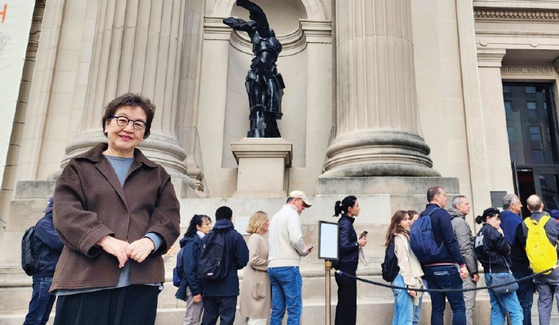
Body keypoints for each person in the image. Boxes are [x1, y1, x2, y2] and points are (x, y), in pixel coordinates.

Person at [51, 93, 181, 325]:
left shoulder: (158, 175)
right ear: (106, 124)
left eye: (138, 124)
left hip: (140, 281)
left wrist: (151, 240)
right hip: (86, 279)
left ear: (144, 133)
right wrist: (104, 239)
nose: (129, 128)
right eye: (122, 119)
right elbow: (66, 212)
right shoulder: (79, 168)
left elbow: (168, 216)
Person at [223, 0, 284, 138]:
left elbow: (259, 14)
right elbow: (239, 24)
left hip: (270, 74)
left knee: (270, 108)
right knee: (256, 105)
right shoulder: (257, 33)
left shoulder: (268, 37)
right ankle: (256, 130)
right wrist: (229, 20)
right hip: (256, 72)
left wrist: (243, 3)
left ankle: (271, 131)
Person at [418, 186, 469, 325]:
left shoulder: (422, 215)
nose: (446, 198)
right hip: (446, 265)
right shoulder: (442, 214)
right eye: (444, 195)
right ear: (436, 197)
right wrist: (462, 263)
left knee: (437, 309)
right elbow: (450, 240)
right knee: (458, 307)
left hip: (428, 267)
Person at [267, 190, 313, 325]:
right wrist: (304, 251)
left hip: (273, 266)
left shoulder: (276, 216)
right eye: (303, 203)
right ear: (295, 200)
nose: (303, 207)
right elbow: (295, 239)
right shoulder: (292, 214)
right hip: (288, 266)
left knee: (277, 310)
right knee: (294, 309)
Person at [474, 207, 524, 325]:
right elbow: (506, 249)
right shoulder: (492, 232)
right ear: (488, 218)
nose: (499, 222)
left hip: (489, 273)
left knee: (497, 309)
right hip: (500, 273)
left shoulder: (479, 234)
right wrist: (502, 235)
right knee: (516, 310)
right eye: (497, 219)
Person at [200, 206, 249, 325]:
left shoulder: (206, 238)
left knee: (208, 319)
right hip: (228, 287)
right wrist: (230, 266)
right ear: (231, 218)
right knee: (226, 320)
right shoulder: (235, 236)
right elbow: (243, 260)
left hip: (209, 286)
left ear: (216, 219)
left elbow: (199, 261)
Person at [23, 197, 63, 325]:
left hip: (50, 276)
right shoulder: (45, 224)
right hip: (44, 276)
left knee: (42, 318)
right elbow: (58, 243)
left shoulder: (52, 224)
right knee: (35, 318)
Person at [521, 195, 559, 325]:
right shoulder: (551, 222)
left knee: (544, 302)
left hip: (538, 269)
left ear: (527, 207)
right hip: (555, 267)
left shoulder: (525, 224)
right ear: (542, 205)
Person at [332, 196, 367, 325]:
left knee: (347, 304)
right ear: (349, 208)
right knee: (347, 305)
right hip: (346, 267)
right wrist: (358, 243)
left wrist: (356, 240)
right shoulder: (345, 224)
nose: (359, 208)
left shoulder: (346, 223)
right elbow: (344, 246)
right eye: (357, 206)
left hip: (347, 267)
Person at [385, 210, 424, 325]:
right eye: (405, 219)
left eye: (408, 219)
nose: (408, 221)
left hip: (402, 279)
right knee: (406, 319)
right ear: (398, 223)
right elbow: (404, 261)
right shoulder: (400, 238)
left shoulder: (404, 236)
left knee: (400, 317)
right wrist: (410, 284)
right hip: (403, 279)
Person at [501, 193, 534, 325]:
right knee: (525, 302)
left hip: (503, 267)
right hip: (520, 267)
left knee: (509, 304)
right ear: (512, 205)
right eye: (519, 202)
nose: (521, 205)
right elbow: (525, 245)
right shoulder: (517, 222)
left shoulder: (498, 219)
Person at [176, 214, 212, 325]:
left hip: (201, 286)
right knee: (192, 320)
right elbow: (189, 269)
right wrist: (195, 291)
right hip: (194, 288)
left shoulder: (203, 241)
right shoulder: (192, 243)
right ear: (198, 226)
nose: (209, 227)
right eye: (206, 224)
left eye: (210, 223)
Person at [449, 195, 479, 325]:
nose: (469, 206)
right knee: (467, 304)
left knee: (459, 305)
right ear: (458, 206)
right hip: (464, 268)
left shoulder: (452, 221)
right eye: (466, 204)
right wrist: (473, 270)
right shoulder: (460, 222)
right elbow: (465, 248)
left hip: (456, 267)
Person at [239, 211, 271, 325]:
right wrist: (271, 264)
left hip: (259, 285)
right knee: (257, 319)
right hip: (257, 287)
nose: (269, 223)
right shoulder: (255, 238)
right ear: (260, 222)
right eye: (267, 221)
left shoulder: (259, 238)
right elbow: (253, 259)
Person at [407, 209, 423, 325]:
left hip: (420, 279)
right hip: (412, 280)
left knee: (416, 316)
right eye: (415, 220)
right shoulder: (406, 238)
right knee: (410, 317)